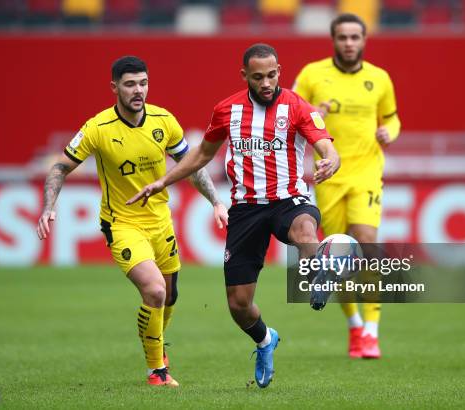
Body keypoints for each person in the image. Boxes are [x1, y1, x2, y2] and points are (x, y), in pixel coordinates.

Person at [127, 44, 340, 388]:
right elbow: (202, 155)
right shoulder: (227, 110)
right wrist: (164, 180)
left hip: (289, 199)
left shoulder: (297, 106)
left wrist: (330, 159)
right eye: (258, 77)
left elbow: (325, 143)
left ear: (279, 71)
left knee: (304, 230)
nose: (267, 83)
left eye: (272, 75)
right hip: (245, 210)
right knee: (239, 306)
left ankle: (320, 274)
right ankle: (265, 340)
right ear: (245, 76)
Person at [36, 56, 227, 387]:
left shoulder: (164, 121)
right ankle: (157, 370)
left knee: (169, 296)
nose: (138, 91)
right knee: (154, 291)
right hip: (122, 224)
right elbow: (60, 167)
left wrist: (215, 201)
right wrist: (48, 206)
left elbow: (192, 166)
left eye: (143, 83)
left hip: (160, 222)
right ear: (114, 88)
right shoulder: (97, 128)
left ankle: (156, 346)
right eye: (130, 84)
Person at [293, 13, 401, 359]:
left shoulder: (379, 78)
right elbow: (288, 115)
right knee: (337, 258)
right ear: (333, 39)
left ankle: (372, 331)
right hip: (329, 174)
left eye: (355, 37)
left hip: (367, 171)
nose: (349, 43)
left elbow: (393, 117)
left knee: (367, 242)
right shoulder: (312, 75)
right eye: (343, 37)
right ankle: (355, 324)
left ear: (364, 40)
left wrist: (390, 132)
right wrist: (312, 112)